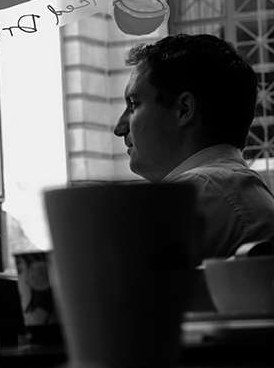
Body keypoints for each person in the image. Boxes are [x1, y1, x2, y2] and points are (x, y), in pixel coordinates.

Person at [113, 33, 274, 260]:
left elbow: (114, 280)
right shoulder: (230, 186)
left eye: (133, 104)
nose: (120, 128)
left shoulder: (198, 192)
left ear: (184, 109)